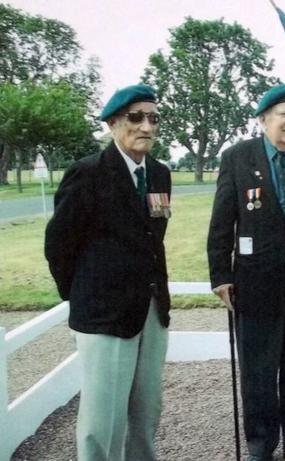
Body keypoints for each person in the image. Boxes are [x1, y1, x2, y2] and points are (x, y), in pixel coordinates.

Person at [45, 84, 172, 461]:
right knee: (104, 421)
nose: (146, 126)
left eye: (153, 118)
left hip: (151, 310)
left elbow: (155, 236)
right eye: (136, 117)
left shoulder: (160, 175)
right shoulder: (88, 174)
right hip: (105, 314)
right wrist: (83, 295)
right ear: (114, 123)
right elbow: (59, 245)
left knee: (147, 412)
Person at [207, 83, 285, 460]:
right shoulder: (238, 158)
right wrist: (221, 276)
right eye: (283, 115)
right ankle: (261, 444)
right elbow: (221, 223)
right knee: (258, 374)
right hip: (256, 285)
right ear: (264, 121)